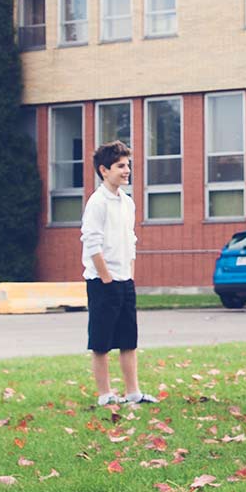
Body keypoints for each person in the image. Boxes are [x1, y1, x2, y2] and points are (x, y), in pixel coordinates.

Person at [80, 141, 156, 408]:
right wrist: (107, 277)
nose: (127, 170)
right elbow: (91, 242)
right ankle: (105, 394)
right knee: (101, 341)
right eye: (120, 166)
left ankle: (133, 392)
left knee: (128, 339)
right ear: (104, 170)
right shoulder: (97, 202)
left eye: (128, 165)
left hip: (125, 280)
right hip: (103, 282)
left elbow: (131, 239)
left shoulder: (127, 203)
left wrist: (129, 274)